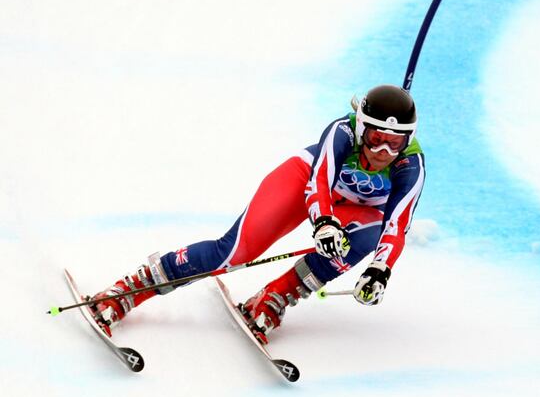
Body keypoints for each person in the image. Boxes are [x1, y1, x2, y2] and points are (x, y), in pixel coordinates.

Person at [89, 84, 425, 343]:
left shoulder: (411, 165)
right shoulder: (342, 133)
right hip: (306, 183)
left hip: (362, 209)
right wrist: (323, 223)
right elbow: (318, 182)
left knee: (368, 238)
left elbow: (397, 224)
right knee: (236, 252)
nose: (383, 151)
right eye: (376, 138)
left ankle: (274, 296)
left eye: (394, 143)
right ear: (361, 128)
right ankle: (130, 289)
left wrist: (380, 271)